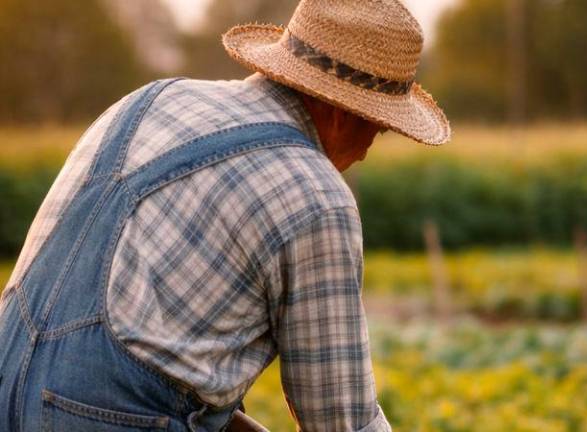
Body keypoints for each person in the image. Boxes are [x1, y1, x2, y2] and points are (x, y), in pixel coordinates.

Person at [0, 0, 450, 430]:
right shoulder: (317, 196)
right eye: (379, 123)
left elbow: (119, 361)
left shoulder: (152, 101)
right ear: (341, 111)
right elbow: (339, 420)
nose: (372, 146)